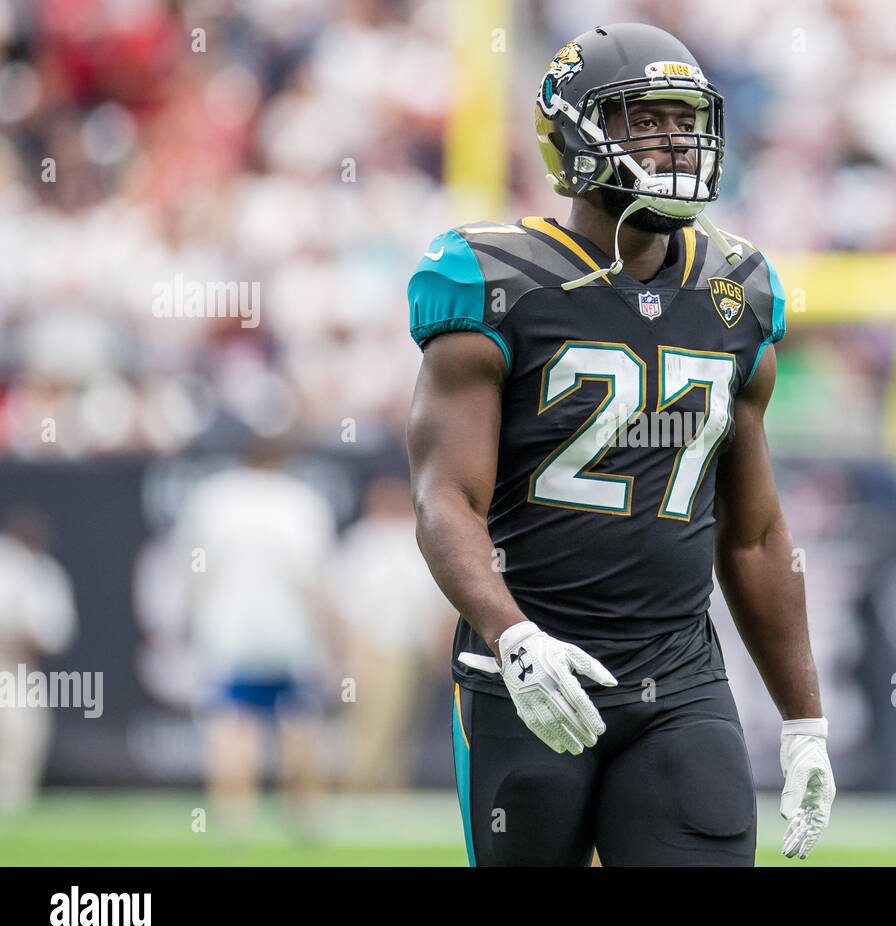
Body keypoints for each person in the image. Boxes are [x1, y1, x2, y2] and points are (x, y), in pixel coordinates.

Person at [406, 23, 834, 866]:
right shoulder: (495, 281)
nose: (676, 139)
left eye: (686, 119)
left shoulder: (736, 290)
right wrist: (512, 638)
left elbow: (752, 534)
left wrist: (804, 721)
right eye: (646, 118)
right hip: (529, 677)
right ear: (574, 133)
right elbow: (445, 498)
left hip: (679, 683)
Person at [174, 443, 336, 836]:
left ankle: (234, 822)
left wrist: (197, 624)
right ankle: (306, 818)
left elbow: (194, 573)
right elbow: (310, 579)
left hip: (229, 634)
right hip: (289, 635)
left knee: (231, 727)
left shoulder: (213, 499)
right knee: (298, 726)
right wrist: (330, 634)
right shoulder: (302, 502)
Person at [330, 475, 458, 790]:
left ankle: (386, 794)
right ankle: (356, 793)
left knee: (400, 731)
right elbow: (343, 604)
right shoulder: (366, 540)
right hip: (374, 650)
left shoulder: (415, 536)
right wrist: (351, 654)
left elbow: (435, 603)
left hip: (409, 651)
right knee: (370, 730)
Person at [0, 507, 77, 811]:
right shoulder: (6, 562)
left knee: (27, 732)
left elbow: (58, 630)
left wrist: (35, 638)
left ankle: (14, 801)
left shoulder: (45, 572)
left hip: (21, 666)